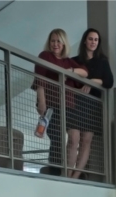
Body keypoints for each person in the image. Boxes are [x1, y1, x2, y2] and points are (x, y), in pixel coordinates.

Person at [35, 29, 89, 176]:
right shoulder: (45, 56)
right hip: (52, 103)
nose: (56, 44)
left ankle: (68, 175)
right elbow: (40, 80)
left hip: (69, 104)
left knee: (73, 138)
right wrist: (42, 102)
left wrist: (70, 70)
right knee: (57, 138)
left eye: (59, 41)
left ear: (64, 43)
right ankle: (56, 172)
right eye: (53, 41)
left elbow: (84, 71)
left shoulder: (67, 61)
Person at [70, 27, 114, 180]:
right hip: (76, 101)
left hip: (93, 104)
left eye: (96, 40)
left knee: (86, 140)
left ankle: (76, 175)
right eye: (90, 39)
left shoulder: (102, 61)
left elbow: (109, 82)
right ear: (84, 41)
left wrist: (94, 81)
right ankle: (68, 173)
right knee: (73, 138)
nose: (93, 42)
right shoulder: (75, 60)